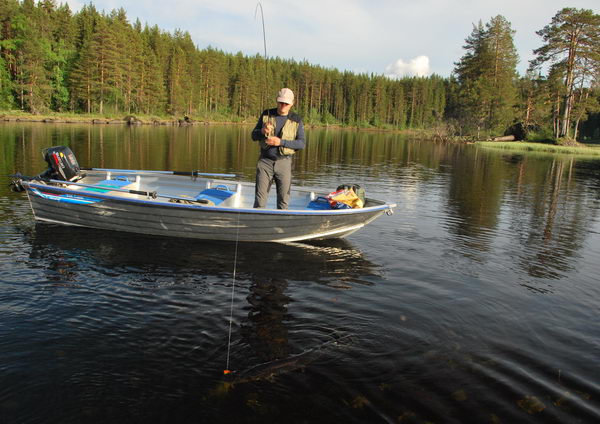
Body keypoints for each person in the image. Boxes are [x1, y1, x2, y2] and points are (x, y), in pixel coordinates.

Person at [251, 88, 305, 209]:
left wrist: (281, 142)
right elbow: (253, 136)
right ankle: (257, 225)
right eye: (281, 102)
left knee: (283, 201)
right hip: (265, 162)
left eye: (286, 103)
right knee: (259, 201)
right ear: (277, 101)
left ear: (292, 103)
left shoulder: (296, 120)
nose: (283, 106)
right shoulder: (266, 114)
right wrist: (262, 131)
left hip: (284, 163)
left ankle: (281, 226)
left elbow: (301, 143)